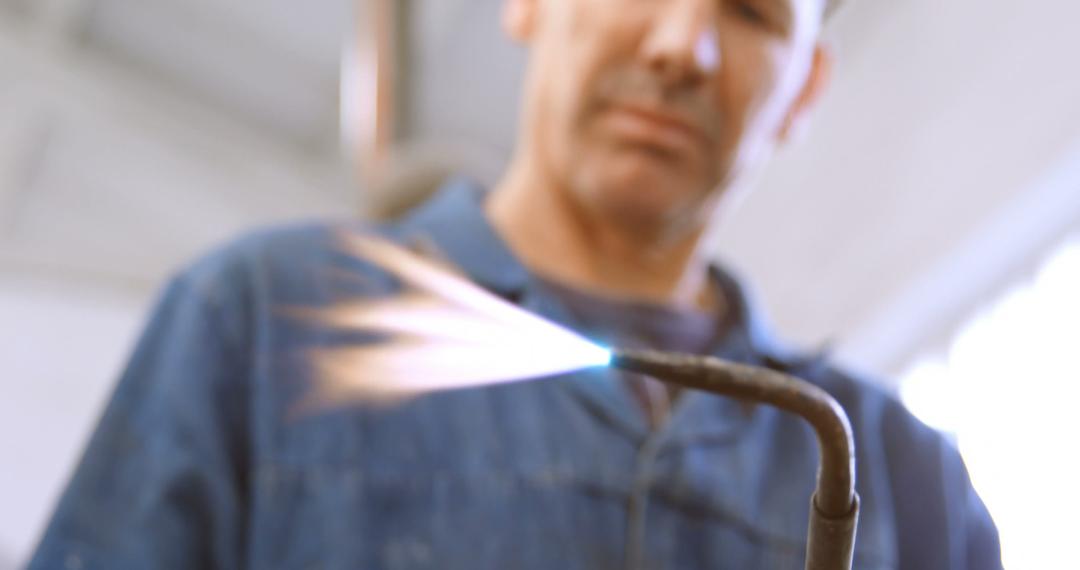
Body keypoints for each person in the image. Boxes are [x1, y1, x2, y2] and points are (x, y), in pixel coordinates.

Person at [30, 0, 1001, 568]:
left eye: (749, 10)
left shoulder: (908, 487)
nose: (682, 46)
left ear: (806, 89)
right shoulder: (267, 326)